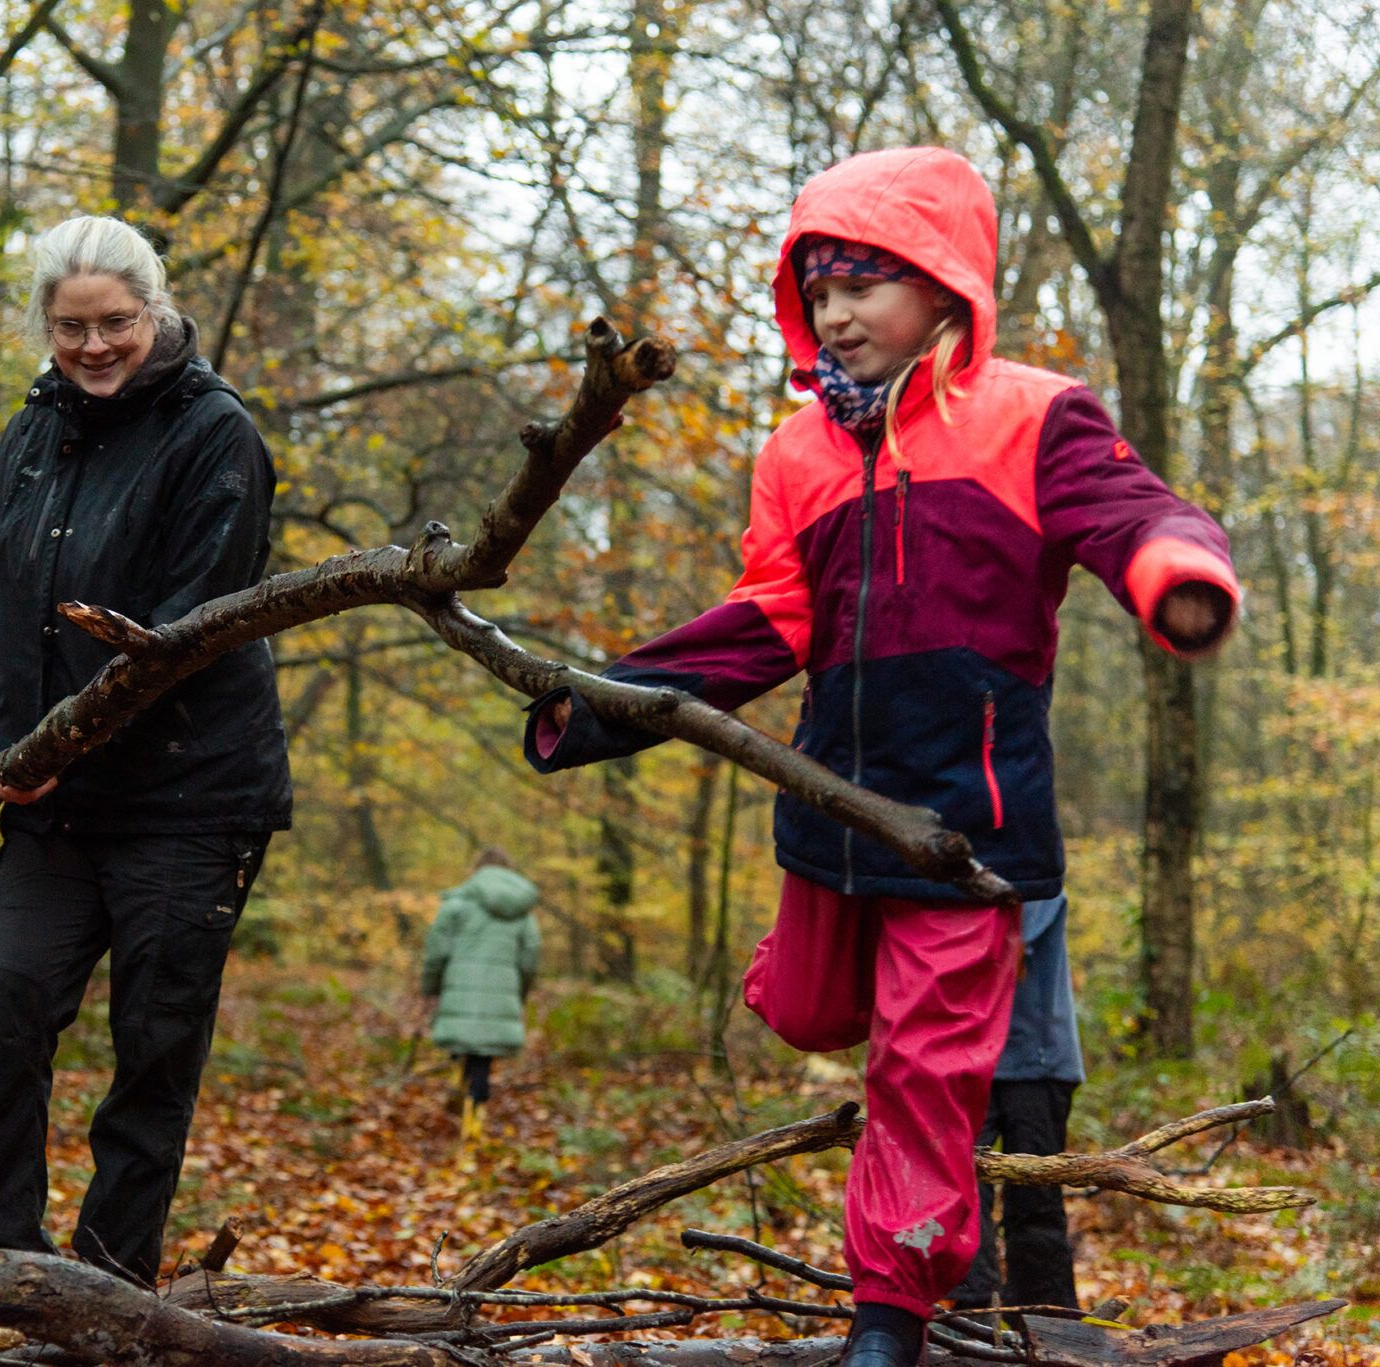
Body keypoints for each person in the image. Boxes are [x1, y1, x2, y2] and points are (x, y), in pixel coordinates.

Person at [520, 148, 1238, 1367]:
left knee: (920, 1070)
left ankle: (886, 1317)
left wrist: (1175, 578)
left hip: (967, 829)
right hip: (832, 812)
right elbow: (766, 618)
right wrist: (597, 703)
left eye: (863, 284)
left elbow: (1131, 512)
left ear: (942, 282)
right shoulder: (795, 453)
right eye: (818, 292)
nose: (837, 314)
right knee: (806, 1011)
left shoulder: (1030, 415)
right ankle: (830, 1015)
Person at [0, 215, 292, 1286]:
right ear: (45, 325)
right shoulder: (30, 437)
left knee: (152, 1050)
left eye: (115, 321)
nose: (94, 346)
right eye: (70, 327)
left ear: (154, 309)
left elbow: (185, 636)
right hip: (54, 804)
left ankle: (109, 1291)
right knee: (6, 1001)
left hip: (191, 801)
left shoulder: (215, 434)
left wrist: (60, 748)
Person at [951, 893, 1083, 1315]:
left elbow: (1004, 943)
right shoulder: (952, 879)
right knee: (963, 1189)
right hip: (968, 1059)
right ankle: (971, 1317)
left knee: (1035, 1200)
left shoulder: (1036, 878)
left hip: (1038, 1063)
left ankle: (1047, 1320)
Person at [419, 850, 541, 1141]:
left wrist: (430, 987)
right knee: (484, 1055)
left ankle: (461, 1092)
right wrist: (520, 992)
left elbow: (436, 953)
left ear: (476, 869)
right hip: (501, 990)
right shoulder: (521, 912)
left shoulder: (457, 904)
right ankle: (474, 1123)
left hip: (459, 989)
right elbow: (530, 959)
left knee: (464, 1040)